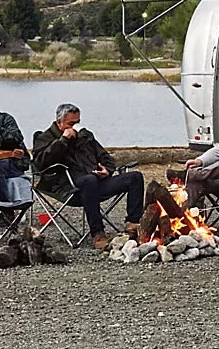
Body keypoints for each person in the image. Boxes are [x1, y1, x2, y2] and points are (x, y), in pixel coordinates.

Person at [31, 103, 143, 250]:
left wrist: (107, 170)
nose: (75, 127)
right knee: (89, 180)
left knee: (135, 177)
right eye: (71, 124)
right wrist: (63, 140)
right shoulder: (44, 138)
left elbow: (106, 157)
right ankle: (98, 233)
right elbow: (40, 164)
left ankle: (132, 224)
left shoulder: (85, 135)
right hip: (69, 186)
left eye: (77, 122)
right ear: (59, 122)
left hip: (97, 181)